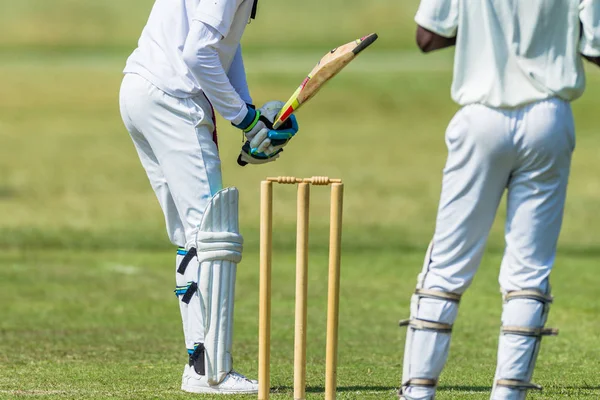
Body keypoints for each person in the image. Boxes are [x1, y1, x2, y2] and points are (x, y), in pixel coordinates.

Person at [399, 1, 600, 399]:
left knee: (447, 267)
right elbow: (596, 47)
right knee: (528, 273)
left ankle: (417, 394)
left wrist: (487, 28)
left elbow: (427, 36)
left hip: (481, 117)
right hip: (549, 117)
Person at [118, 0, 299, 394]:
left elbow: (221, 48)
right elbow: (198, 53)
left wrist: (248, 113)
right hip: (174, 97)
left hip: (140, 88)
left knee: (192, 238)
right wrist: (246, 120)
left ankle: (200, 363)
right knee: (212, 234)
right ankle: (209, 372)